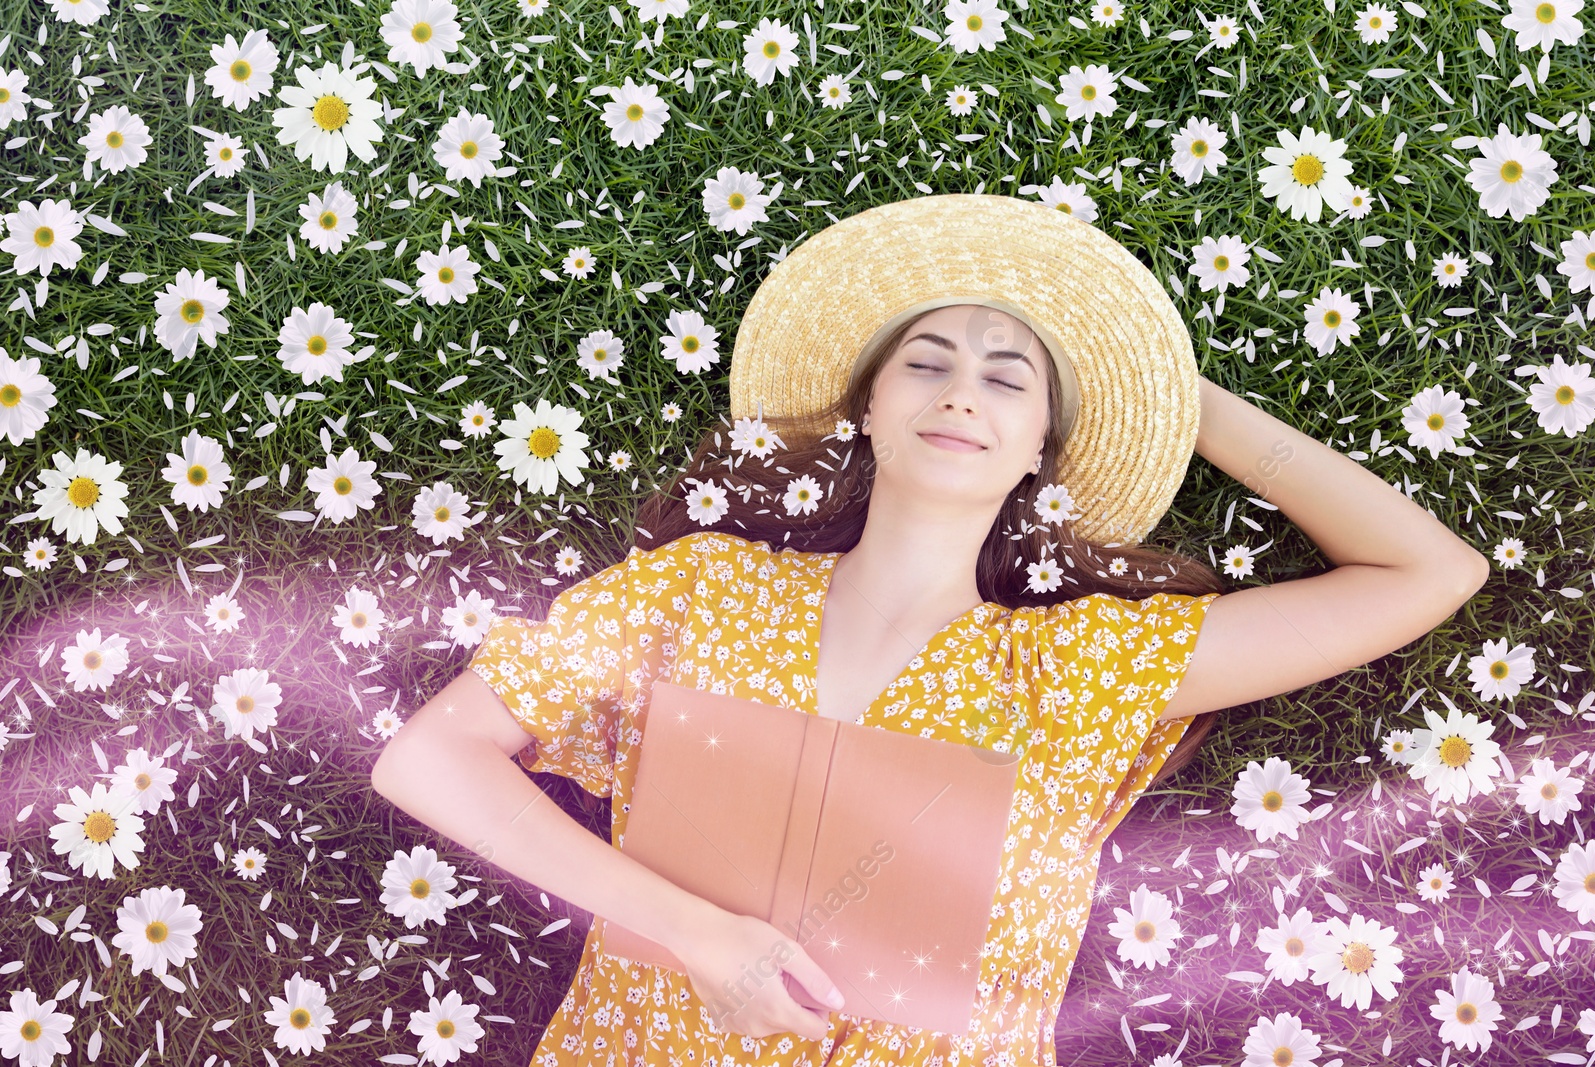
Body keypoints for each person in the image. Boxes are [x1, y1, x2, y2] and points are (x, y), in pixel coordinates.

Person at [371, 195, 1489, 1067]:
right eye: (927, 361)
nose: (964, 392)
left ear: (1038, 446)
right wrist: (698, 931)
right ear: (868, 403)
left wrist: (1177, 394)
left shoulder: (1077, 664)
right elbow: (430, 755)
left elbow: (1428, 569)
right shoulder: (698, 589)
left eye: (1010, 380)